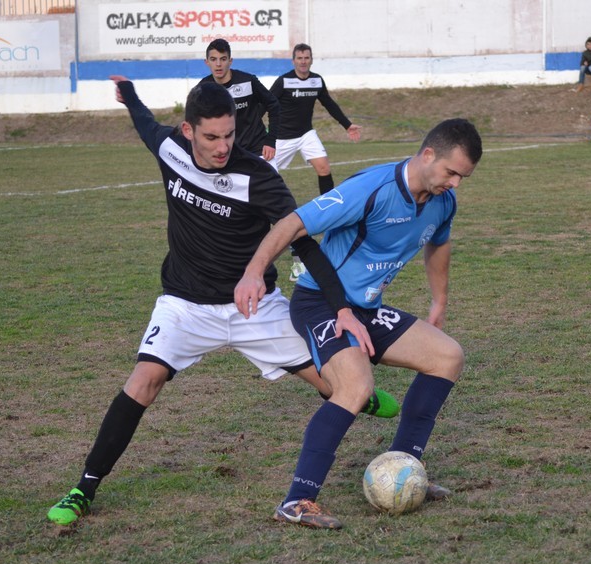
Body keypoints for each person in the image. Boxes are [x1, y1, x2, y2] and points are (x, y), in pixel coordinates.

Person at [46, 78, 399, 526]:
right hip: (185, 305)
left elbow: (304, 243)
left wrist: (342, 307)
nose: (222, 146)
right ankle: (84, 488)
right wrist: (130, 95)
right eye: (211, 137)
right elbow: (145, 124)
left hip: (255, 308)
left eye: (229, 134)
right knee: (144, 380)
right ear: (188, 130)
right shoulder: (170, 149)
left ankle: (357, 397)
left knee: (337, 384)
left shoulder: (258, 177)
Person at [234, 118, 483, 530]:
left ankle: (404, 468)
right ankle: (297, 500)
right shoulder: (371, 188)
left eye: (463, 177)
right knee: (356, 386)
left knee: (447, 357)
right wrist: (253, 272)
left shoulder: (443, 202)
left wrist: (439, 300)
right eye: (451, 172)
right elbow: (294, 222)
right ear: (427, 155)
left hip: (366, 309)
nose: (455, 183)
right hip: (320, 303)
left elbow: (439, 243)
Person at [269, 42, 362, 283]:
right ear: (293, 61)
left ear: (311, 59)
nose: (303, 61)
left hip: (306, 134)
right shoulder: (283, 81)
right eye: (299, 58)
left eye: (306, 57)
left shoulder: (316, 81)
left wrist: (347, 125)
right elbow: (266, 103)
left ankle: (330, 213)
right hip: (282, 138)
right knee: (267, 175)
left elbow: (329, 103)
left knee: (324, 168)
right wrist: (256, 131)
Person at [197, 38, 280, 161]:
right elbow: (197, 121)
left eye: (223, 59)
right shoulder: (203, 89)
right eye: (213, 59)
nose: (218, 64)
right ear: (207, 62)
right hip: (226, 154)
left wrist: (270, 141)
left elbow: (273, 105)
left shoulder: (247, 81)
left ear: (230, 61)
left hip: (259, 150)